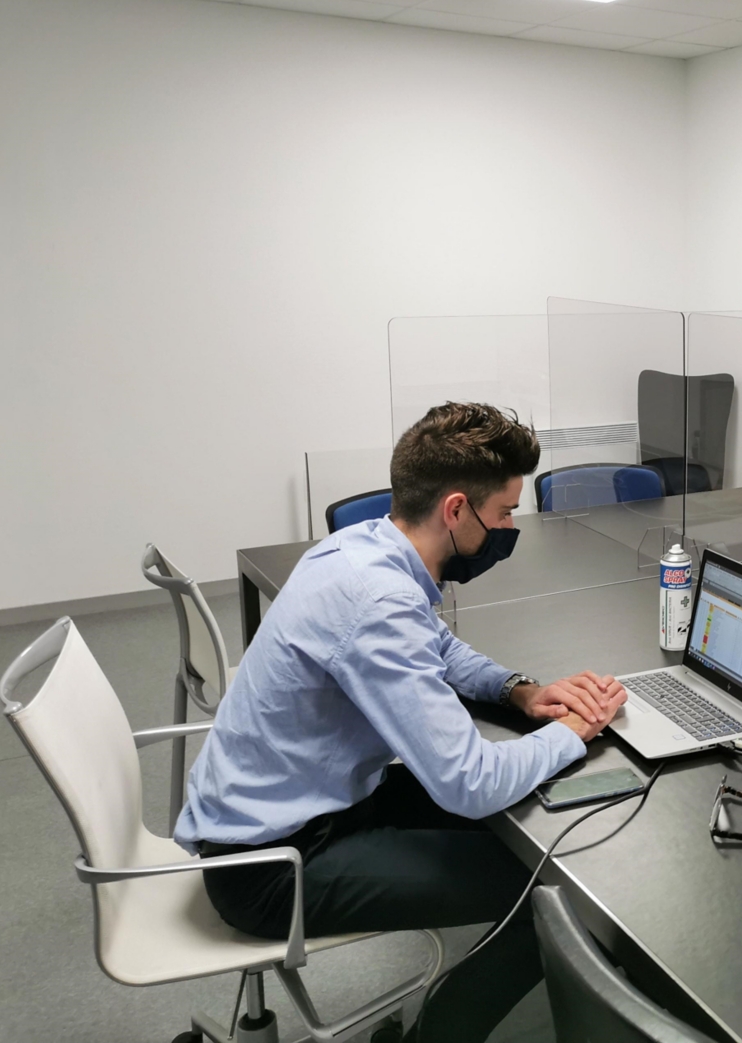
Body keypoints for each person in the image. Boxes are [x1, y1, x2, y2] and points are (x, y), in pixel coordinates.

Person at [174, 402, 627, 1042]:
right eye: (504, 514)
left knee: (530, 828)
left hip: (309, 804)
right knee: (556, 891)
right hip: (272, 865)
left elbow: (437, 646)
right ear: (456, 510)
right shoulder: (377, 600)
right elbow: (469, 782)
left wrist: (520, 692)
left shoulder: (361, 546)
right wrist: (571, 732)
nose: (508, 529)